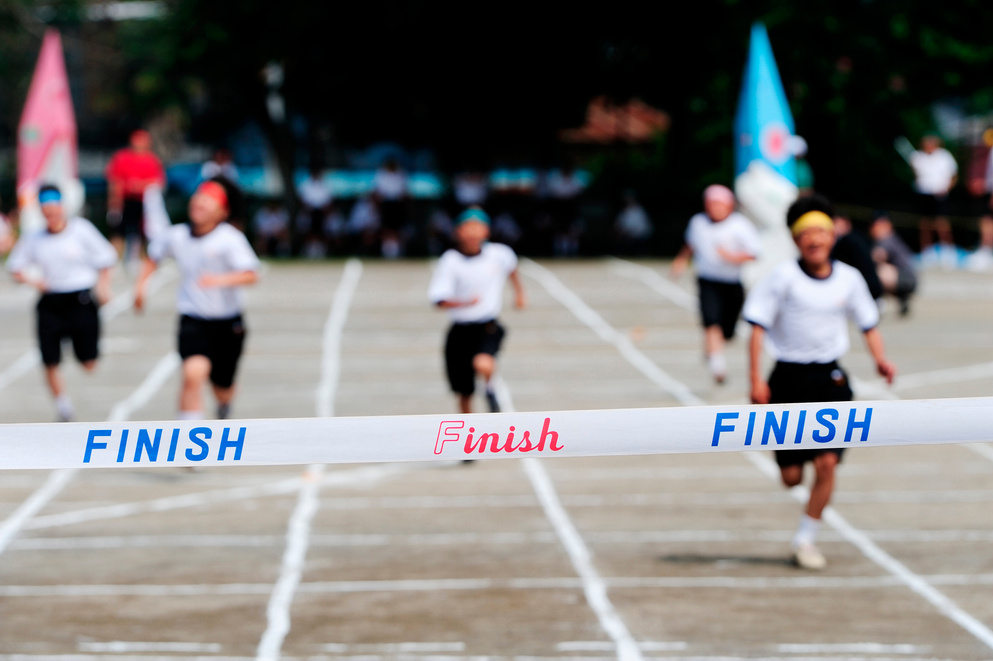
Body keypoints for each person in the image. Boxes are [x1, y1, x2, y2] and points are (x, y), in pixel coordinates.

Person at [743, 199, 897, 570]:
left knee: (827, 463)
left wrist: (880, 359)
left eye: (822, 233)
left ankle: (805, 539)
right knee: (791, 477)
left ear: (832, 237)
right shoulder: (782, 278)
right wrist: (755, 380)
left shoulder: (849, 278)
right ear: (797, 240)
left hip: (831, 380)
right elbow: (757, 327)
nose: (815, 240)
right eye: (807, 234)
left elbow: (868, 324)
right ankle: (794, 467)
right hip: (787, 380)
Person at [135, 179, 260, 420]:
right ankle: (190, 441)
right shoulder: (177, 235)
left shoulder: (229, 238)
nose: (201, 202)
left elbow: (250, 274)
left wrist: (219, 280)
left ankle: (224, 404)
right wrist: (141, 287)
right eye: (199, 197)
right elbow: (153, 255)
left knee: (223, 387)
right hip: (193, 319)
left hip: (227, 323)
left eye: (210, 200)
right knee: (192, 376)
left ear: (222, 212)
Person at [7, 184, 117, 422]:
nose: (50, 213)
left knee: (89, 362)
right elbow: (15, 268)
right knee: (49, 359)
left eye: (53, 208)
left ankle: (86, 355)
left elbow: (106, 257)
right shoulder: (34, 238)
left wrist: (104, 287)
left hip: (81, 300)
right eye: (45, 209)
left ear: (62, 206)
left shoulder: (81, 230)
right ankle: (63, 406)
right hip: (51, 302)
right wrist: (36, 282)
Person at [428, 206, 526, 415]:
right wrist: (463, 302)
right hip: (460, 329)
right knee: (463, 391)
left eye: (477, 227)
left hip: (487, 325)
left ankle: (490, 389)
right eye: (467, 228)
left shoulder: (499, 253)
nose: (472, 233)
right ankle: (468, 431)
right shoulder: (450, 260)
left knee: (483, 363)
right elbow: (438, 299)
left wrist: (519, 293)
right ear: (458, 232)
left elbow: (512, 268)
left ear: (486, 231)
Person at [671, 184, 761, 384]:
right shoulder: (698, 222)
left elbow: (754, 253)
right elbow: (690, 244)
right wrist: (680, 261)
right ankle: (717, 366)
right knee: (711, 321)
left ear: (729, 205)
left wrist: (731, 257)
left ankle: (712, 350)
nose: (715, 208)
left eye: (719, 204)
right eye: (711, 204)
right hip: (707, 280)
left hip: (732, 283)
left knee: (727, 330)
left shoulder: (740, 225)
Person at [105, 129, 166, 261]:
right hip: (124, 201)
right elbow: (115, 181)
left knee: (142, 233)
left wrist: (139, 185)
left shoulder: (152, 160)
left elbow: (158, 182)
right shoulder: (122, 157)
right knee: (118, 233)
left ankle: (139, 261)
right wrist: (114, 202)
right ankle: (112, 262)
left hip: (143, 203)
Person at [908, 134, 957, 265]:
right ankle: (927, 251)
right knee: (924, 223)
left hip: (939, 195)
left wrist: (946, 189)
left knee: (942, 223)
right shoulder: (918, 157)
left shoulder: (944, 156)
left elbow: (953, 175)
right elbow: (916, 173)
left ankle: (947, 250)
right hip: (923, 194)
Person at [869, 213, 918, 315]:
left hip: (905, 278)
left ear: (887, 225)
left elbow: (878, 256)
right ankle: (902, 298)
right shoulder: (893, 238)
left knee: (874, 270)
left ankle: (877, 301)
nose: (874, 229)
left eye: (878, 225)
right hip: (908, 278)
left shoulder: (887, 239)